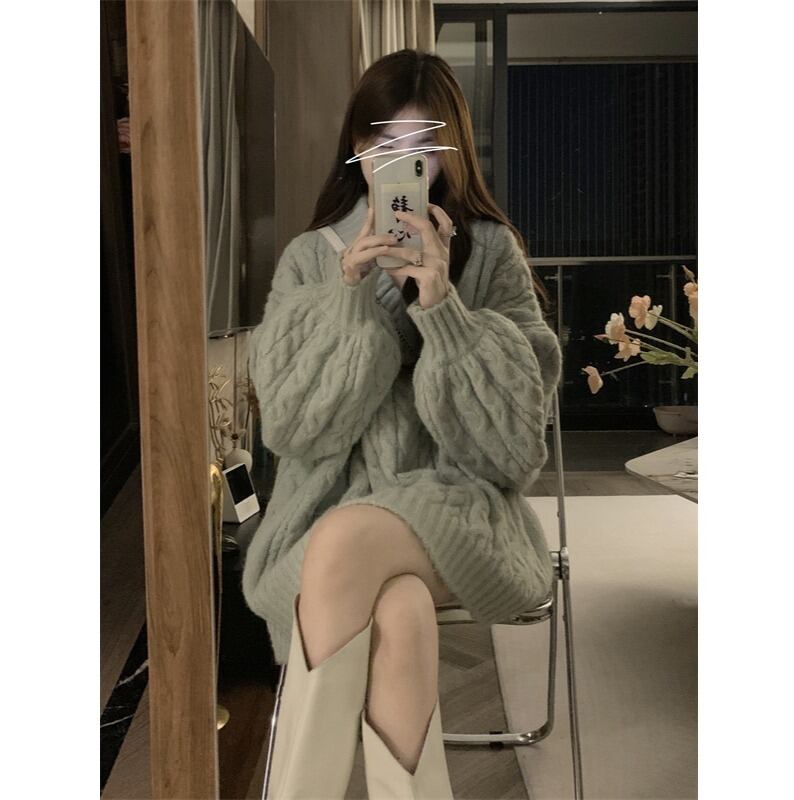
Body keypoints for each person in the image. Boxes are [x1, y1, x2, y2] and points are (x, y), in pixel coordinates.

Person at [243, 48, 562, 799]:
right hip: (324, 515)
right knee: (402, 610)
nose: (404, 165)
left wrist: (443, 307)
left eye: (425, 147)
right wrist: (349, 296)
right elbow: (291, 429)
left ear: (452, 155)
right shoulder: (307, 260)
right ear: (358, 147)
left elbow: (513, 450)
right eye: (387, 144)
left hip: (459, 511)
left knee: (347, 543)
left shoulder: (492, 255)